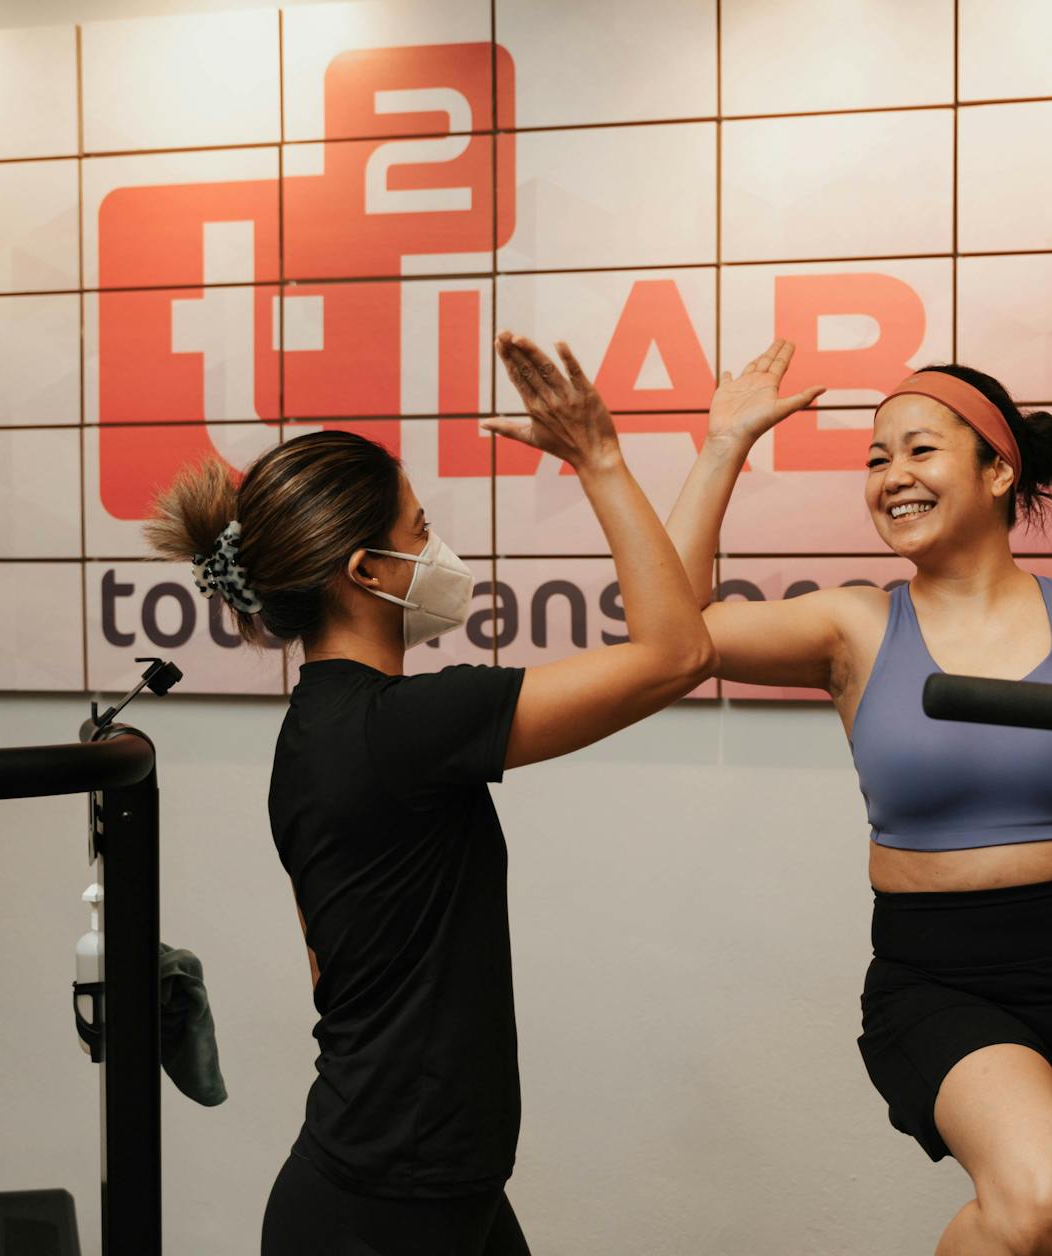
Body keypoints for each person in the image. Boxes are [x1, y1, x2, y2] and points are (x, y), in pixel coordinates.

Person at [665, 345, 1052, 1256]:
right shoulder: (852, 624)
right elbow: (669, 634)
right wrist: (724, 445)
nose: (892, 477)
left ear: (999, 470)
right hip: (944, 977)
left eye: (919, 451)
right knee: (1044, 1197)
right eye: (876, 460)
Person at [147, 333, 724, 1256]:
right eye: (420, 530)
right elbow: (679, 655)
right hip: (393, 1206)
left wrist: (721, 449)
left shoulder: (316, 733)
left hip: (408, 1183)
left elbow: (330, 972)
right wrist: (599, 459)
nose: (438, 548)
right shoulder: (408, 727)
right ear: (369, 572)